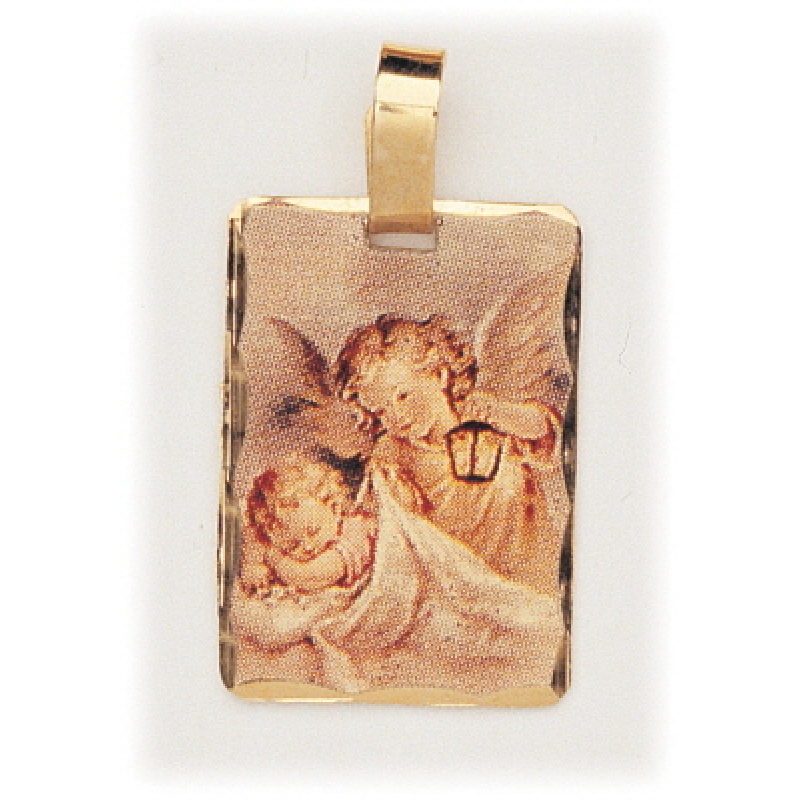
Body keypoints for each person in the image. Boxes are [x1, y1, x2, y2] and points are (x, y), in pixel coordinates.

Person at [334, 314, 566, 598]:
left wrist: (504, 415)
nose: (396, 416)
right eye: (381, 411)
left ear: (440, 375)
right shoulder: (391, 454)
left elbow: (547, 433)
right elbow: (372, 522)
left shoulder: (487, 419)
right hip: (456, 587)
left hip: (526, 573)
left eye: (403, 396)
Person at [239, 454, 376, 596]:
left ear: (334, 507)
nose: (308, 547)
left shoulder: (356, 532)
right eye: (293, 545)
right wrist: (252, 565)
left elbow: (309, 576)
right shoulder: (321, 522)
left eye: (313, 532)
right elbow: (252, 534)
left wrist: (271, 556)